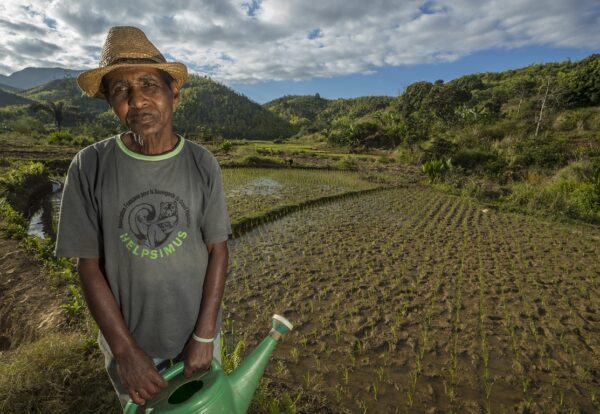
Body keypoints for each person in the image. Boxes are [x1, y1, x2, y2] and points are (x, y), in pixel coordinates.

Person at [54, 26, 232, 408]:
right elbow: (90, 266)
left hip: (198, 339)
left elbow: (218, 250)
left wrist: (204, 337)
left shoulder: (202, 163)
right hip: (134, 348)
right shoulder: (89, 166)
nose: (136, 101)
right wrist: (126, 352)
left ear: (174, 94)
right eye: (120, 91)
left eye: (149, 84)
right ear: (110, 104)